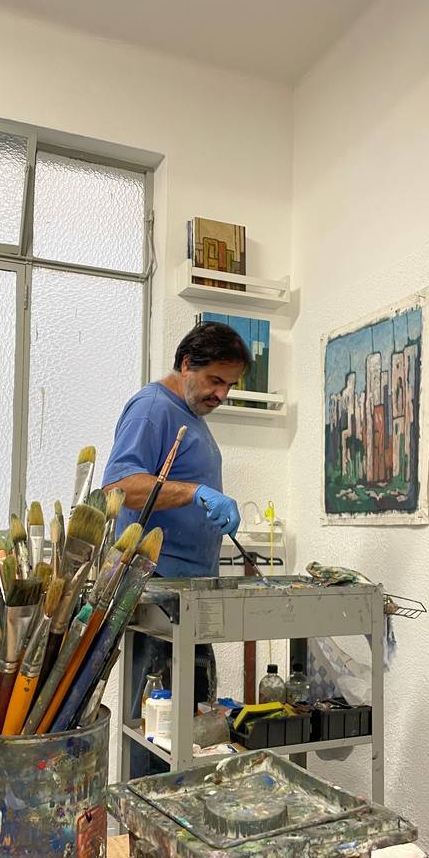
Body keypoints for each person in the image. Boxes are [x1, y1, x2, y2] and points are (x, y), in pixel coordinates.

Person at [102, 321, 251, 776]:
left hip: (188, 590)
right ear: (187, 364)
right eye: (215, 380)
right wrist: (195, 493)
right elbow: (119, 487)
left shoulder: (193, 416)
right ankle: (146, 809)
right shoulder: (153, 408)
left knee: (192, 720)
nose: (221, 394)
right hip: (158, 588)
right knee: (158, 721)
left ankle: (181, 808)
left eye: (230, 385)